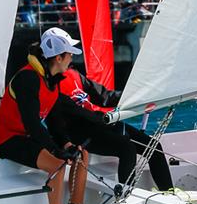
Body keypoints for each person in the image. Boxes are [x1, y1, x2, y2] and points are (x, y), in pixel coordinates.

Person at [0, 28, 88, 204]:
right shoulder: (28, 79)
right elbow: (32, 123)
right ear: (58, 58)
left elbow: (54, 119)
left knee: (81, 154)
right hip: (7, 140)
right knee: (57, 164)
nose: (71, 59)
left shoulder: (52, 80)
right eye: (69, 54)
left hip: (27, 136)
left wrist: (66, 145)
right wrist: (55, 151)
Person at [58, 61, 173, 195]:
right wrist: (99, 117)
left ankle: (169, 193)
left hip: (100, 123)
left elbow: (104, 97)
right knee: (127, 147)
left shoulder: (74, 75)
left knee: (154, 147)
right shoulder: (53, 84)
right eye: (69, 53)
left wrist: (134, 98)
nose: (72, 56)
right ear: (58, 57)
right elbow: (70, 112)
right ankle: (127, 198)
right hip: (81, 132)